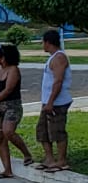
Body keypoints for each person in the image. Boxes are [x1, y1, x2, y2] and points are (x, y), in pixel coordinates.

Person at [0, 44, 35, 179]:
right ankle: (7, 169)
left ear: (3, 58)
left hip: (12, 106)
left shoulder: (13, 70)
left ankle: (26, 153)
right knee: (0, 137)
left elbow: (8, 90)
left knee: (8, 131)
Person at [35, 30, 73, 172]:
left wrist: (51, 101)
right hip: (48, 102)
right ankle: (49, 158)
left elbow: (58, 82)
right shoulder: (52, 58)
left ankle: (62, 160)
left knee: (57, 131)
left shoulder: (59, 58)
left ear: (48, 42)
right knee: (42, 130)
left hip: (57, 102)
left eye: (43, 42)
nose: (42, 45)